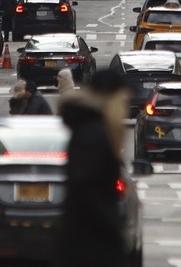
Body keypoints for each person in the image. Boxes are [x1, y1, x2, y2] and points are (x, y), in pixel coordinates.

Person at [54, 69, 131, 267]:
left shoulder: (89, 129)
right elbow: (86, 188)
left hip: (85, 240)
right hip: (91, 244)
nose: (125, 107)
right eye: (122, 100)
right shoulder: (94, 135)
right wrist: (112, 228)